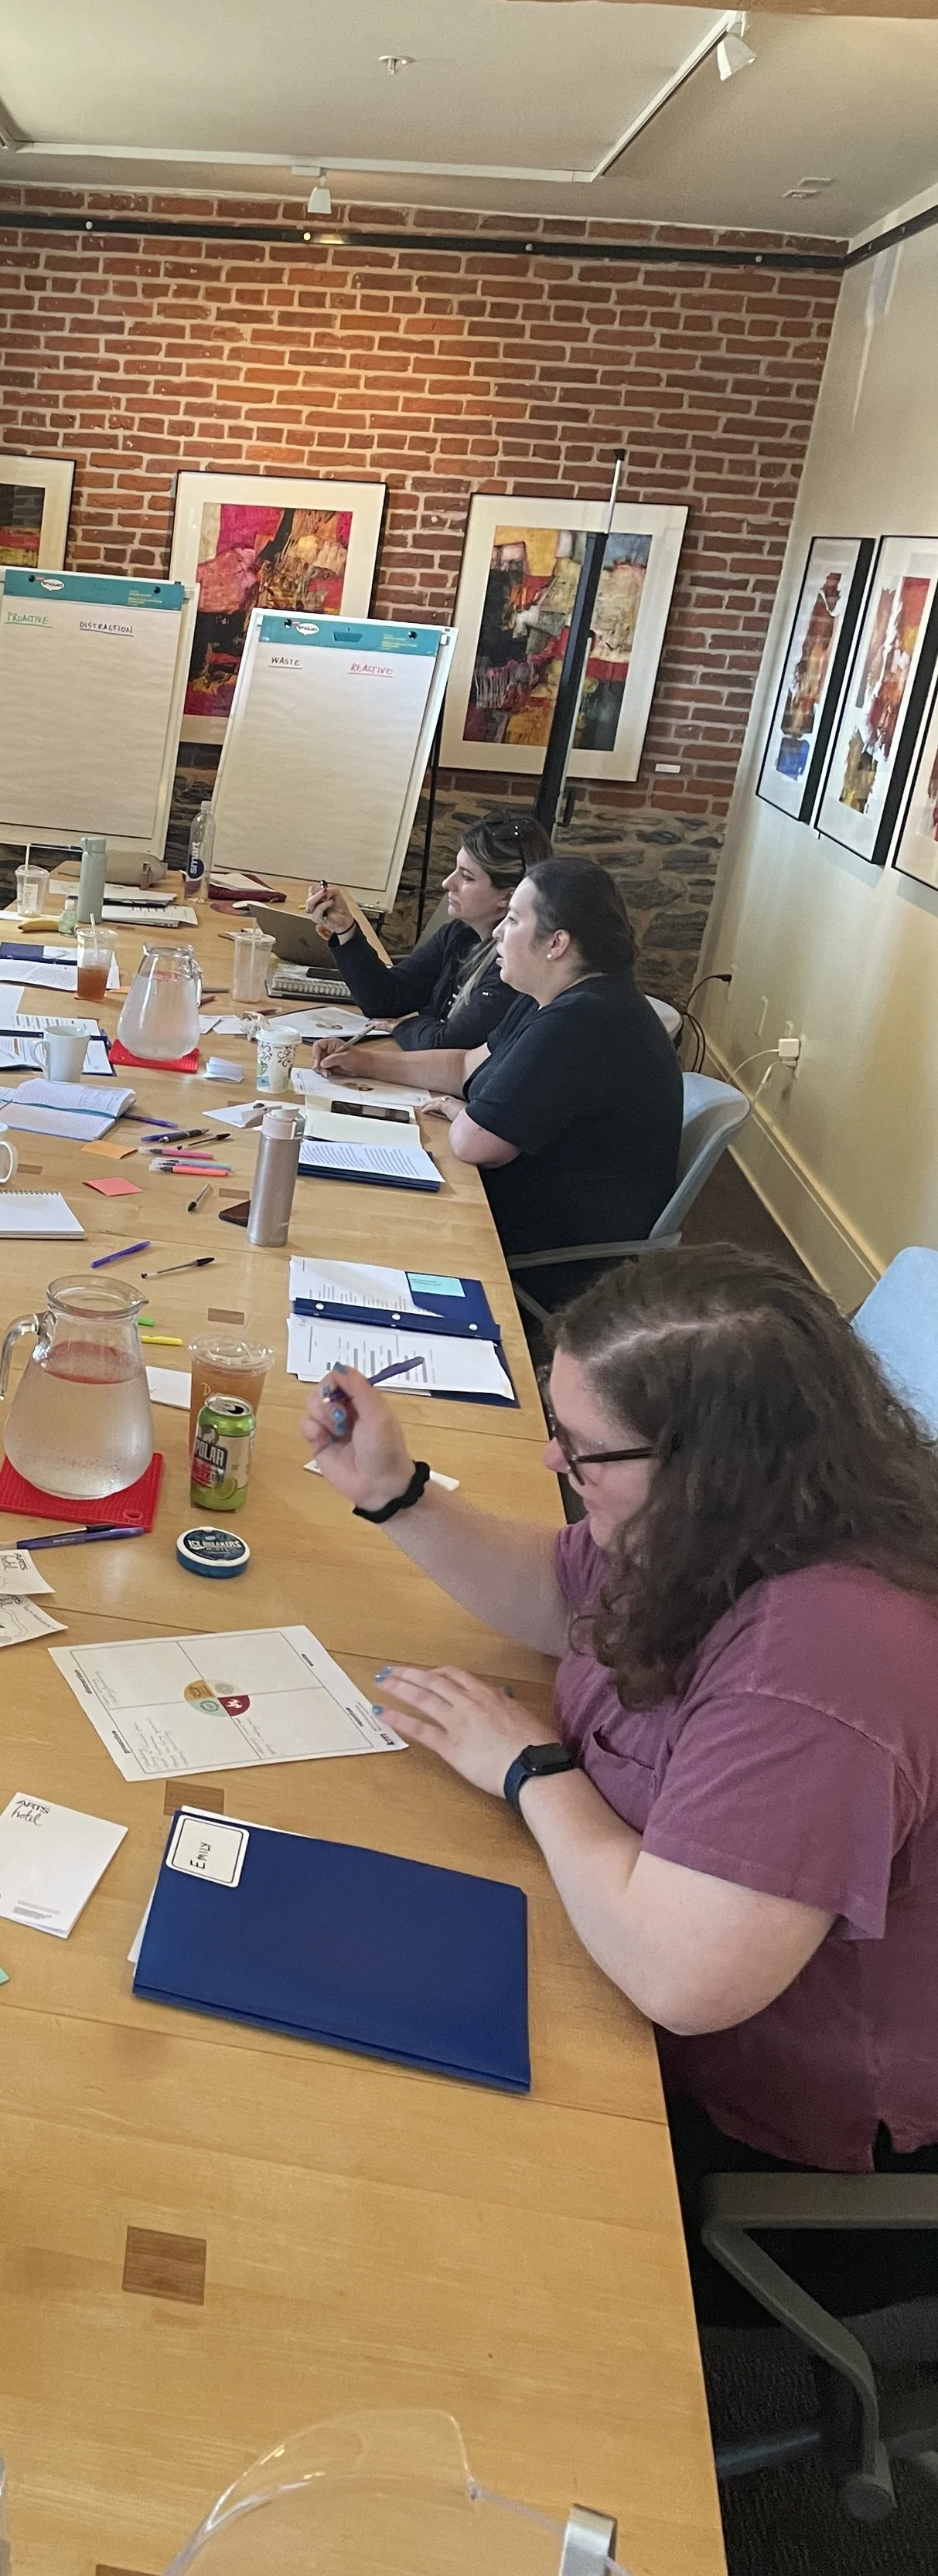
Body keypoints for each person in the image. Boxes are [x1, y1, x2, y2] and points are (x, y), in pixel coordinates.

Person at [300, 1246, 938, 2328]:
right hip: (640, 1985)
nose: (552, 1455)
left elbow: (683, 1978)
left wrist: (532, 1769)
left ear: (708, 1462)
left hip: (778, 2144)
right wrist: (397, 1496)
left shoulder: (822, 1659)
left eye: (583, 1449)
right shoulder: (739, 1518)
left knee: (371, 2199)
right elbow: (564, 1600)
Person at [321, 858, 681, 1309]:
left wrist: (466, 1115)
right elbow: (465, 1065)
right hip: (520, 1205)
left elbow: (475, 1146)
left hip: (554, 1249)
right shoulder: (555, 996)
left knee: (355, 1221)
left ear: (556, 943)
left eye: (512, 919)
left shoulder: (581, 1020)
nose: (496, 932)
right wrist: (364, 1063)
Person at [302, 808, 548, 1052]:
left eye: (467, 877)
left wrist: (405, 1026)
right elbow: (386, 999)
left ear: (509, 896)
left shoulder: (514, 964)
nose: (447, 883)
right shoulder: (460, 934)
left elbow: (451, 1043)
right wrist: (346, 929)